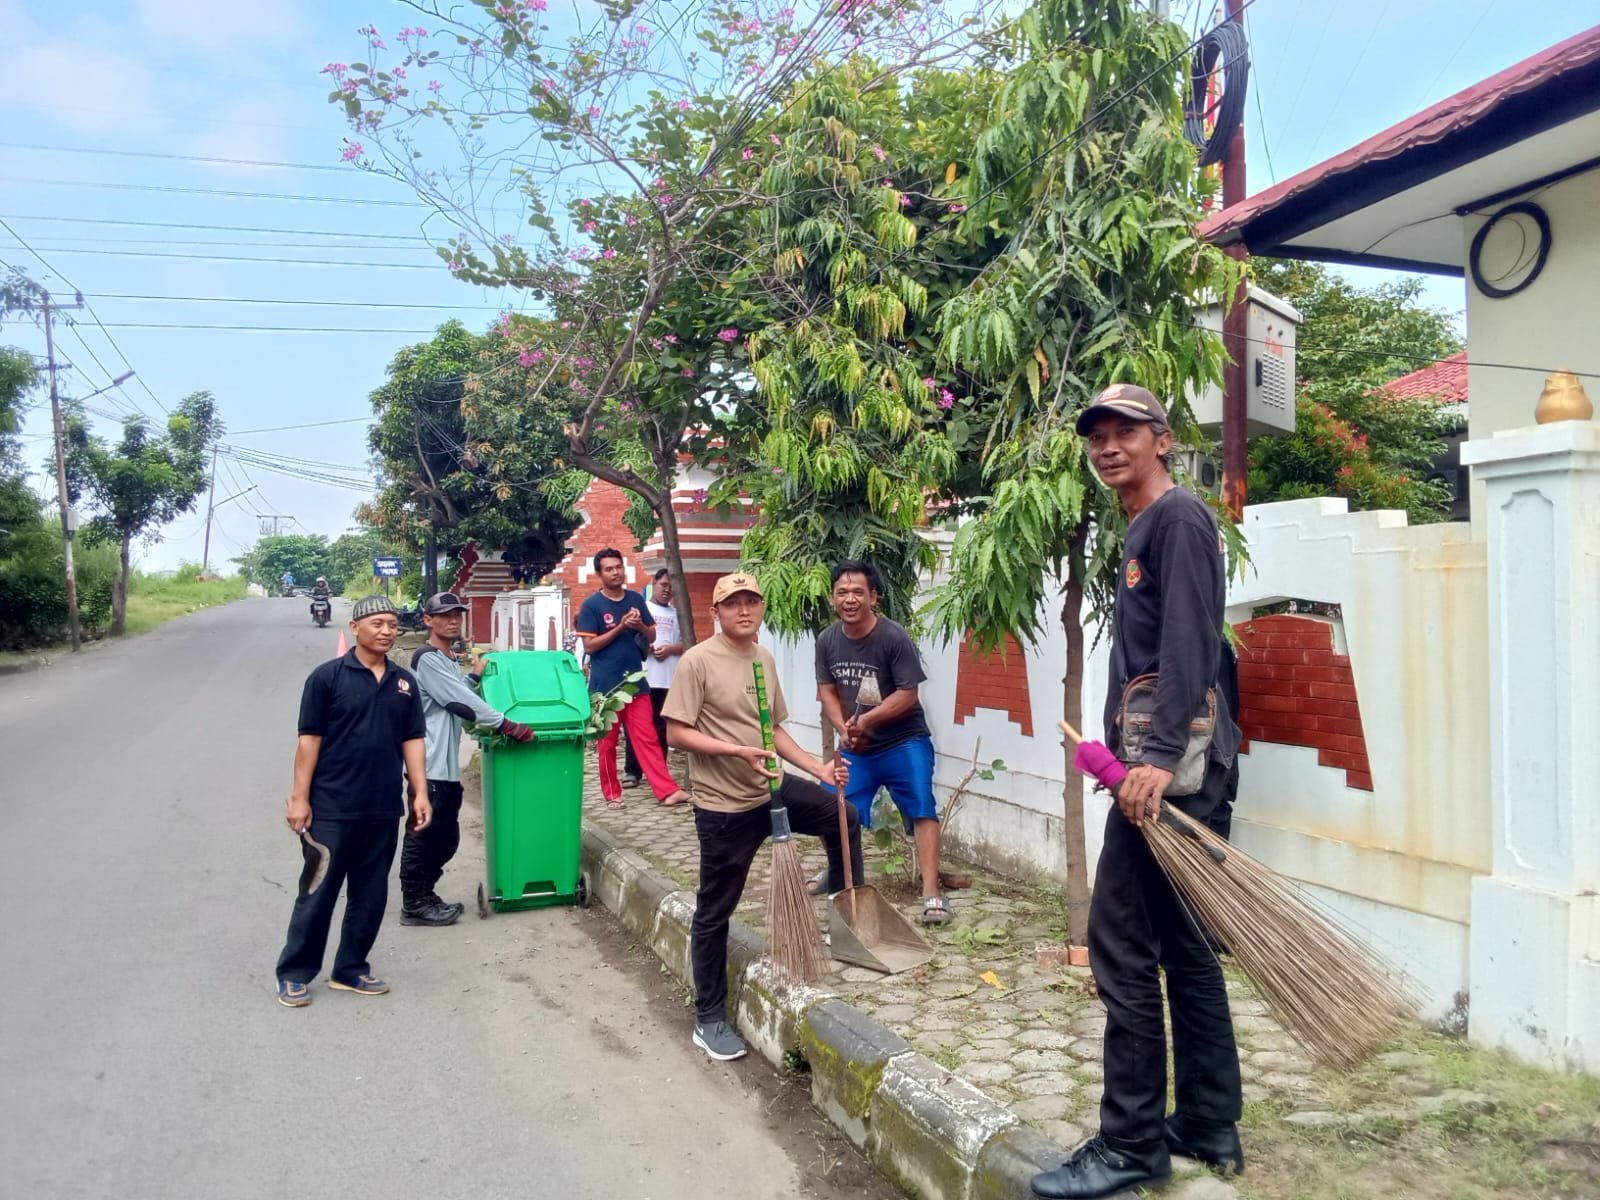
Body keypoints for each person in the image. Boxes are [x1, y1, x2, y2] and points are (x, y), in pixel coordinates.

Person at [1031, 384, 1244, 1198]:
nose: (1109, 446)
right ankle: (1209, 1122)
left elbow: (1192, 643)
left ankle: (1129, 1145)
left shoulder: (1177, 517)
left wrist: (1153, 758)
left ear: (1162, 439)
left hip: (1172, 771)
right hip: (1178, 766)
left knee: (1119, 944)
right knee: (1184, 945)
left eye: (1126, 431)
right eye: (1097, 436)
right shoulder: (1147, 524)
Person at [663, 571, 864, 1062]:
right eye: (733, 603)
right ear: (716, 611)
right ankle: (709, 1017)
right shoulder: (697, 661)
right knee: (715, 911)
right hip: (723, 806)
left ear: (761, 608)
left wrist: (817, 767)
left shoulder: (763, 658)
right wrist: (736, 751)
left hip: (769, 787)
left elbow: (771, 730)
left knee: (844, 815)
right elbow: (676, 733)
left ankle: (848, 925)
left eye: (751, 602)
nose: (744, 610)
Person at [275, 595, 433, 1008]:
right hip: (331, 808)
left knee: (371, 895)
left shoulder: (403, 682)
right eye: (377, 623)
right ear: (356, 627)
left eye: (392, 625)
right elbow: (308, 741)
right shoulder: (326, 678)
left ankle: (350, 969)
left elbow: (413, 739)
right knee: (318, 893)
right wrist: (299, 798)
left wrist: (419, 791)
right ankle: (294, 973)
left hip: (382, 808)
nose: (386, 631)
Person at [815, 560, 948, 924]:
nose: (850, 599)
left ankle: (931, 891)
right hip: (857, 748)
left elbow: (907, 694)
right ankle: (837, 870)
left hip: (903, 741)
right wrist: (843, 727)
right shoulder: (827, 640)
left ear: (873, 596)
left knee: (922, 806)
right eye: (842, 592)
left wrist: (866, 720)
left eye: (858, 592)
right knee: (830, 806)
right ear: (833, 598)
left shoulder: (893, 637)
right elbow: (826, 690)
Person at [401, 591, 535, 927]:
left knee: (445, 838)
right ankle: (413, 904)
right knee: (423, 834)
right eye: (444, 615)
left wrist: (473, 676)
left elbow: (452, 692)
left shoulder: (445, 658)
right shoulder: (426, 657)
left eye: (456, 615)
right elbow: (458, 702)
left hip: (444, 767)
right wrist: (507, 724)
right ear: (427, 620)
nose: (452, 620)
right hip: (428, 764)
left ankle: (426, 893)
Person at [575, 548, 689, 809]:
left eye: (618, 567)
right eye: (609, 569)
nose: (616, 572)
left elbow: (651, 636)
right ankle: (612, 794)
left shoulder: (636, 599)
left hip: (636, 683)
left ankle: (667, 790)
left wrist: (639, 626)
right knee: (607, 744)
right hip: (605, 689)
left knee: (647, 738)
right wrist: (620, 627)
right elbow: (590, 646)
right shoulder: (592, 605)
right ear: (599, 574)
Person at [623, 567, 685, 788]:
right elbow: (627, 640)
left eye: (671, 587)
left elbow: (686, 643)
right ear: (654, 584)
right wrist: (645, 648)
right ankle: (633, 771)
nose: (667, 590)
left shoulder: (677, 615)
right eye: (663, 585)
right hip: (642, 678)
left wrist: (670, 649)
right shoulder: (641, 610)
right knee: (636, 726)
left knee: (661, 727)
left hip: (667, 679)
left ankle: (658, 771)